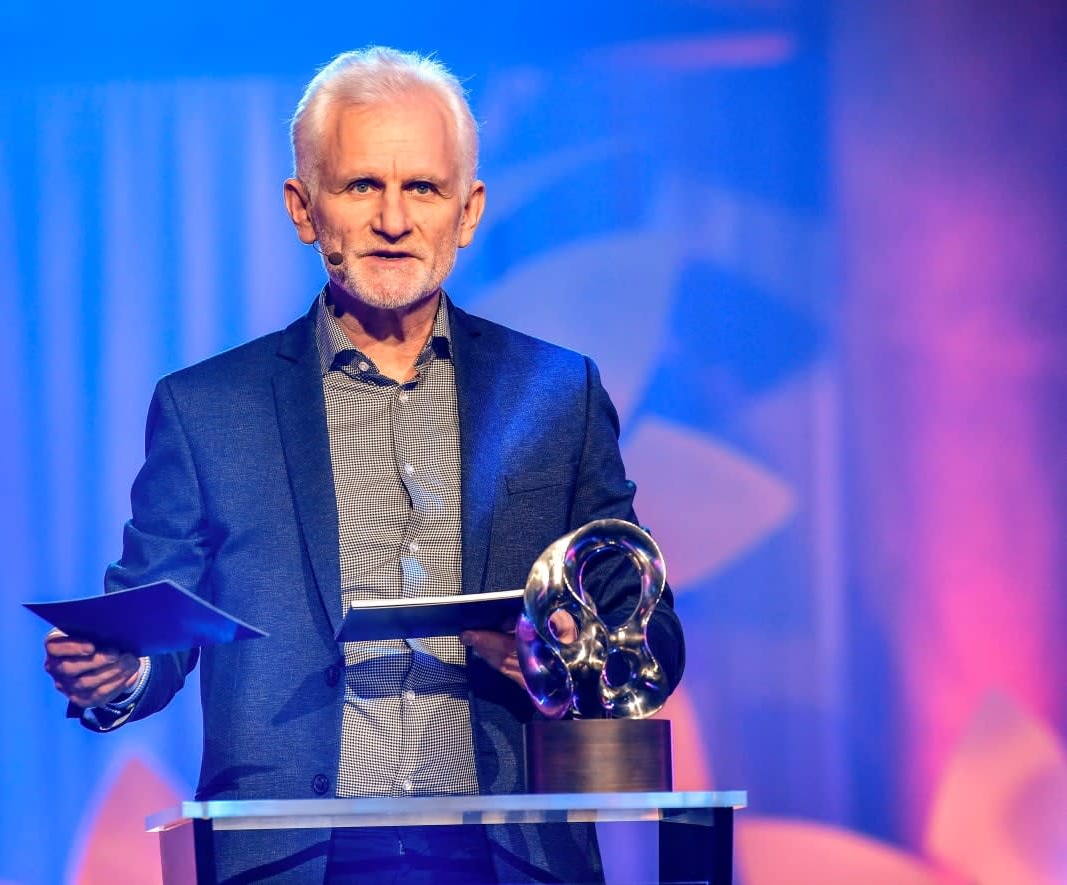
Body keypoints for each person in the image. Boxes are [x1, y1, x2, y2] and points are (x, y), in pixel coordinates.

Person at [44, 46, 685, 884]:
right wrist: (119, 668)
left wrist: (576, 647)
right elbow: (152, 630)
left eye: (422, 187)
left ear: (468, 209)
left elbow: (645, 622)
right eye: (360, 186)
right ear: (303, 208)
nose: (393, 219)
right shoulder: (208, 409)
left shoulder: (557, 391)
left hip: (510, 853)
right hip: (293, 857)